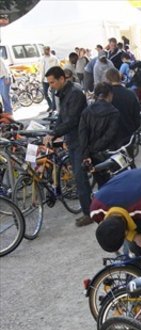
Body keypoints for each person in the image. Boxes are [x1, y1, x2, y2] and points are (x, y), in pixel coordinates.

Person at [43, 66, 90, 226]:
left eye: (52, 82)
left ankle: (89, 213)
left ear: (62, 79)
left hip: (80, 141)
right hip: (72, 140)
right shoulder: (64, 94)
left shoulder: (74, 94)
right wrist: (53, 132)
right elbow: (62, 118)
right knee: (81, 176)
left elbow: (72, 120)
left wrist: (55, 133)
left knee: (80, 177)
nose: (51, 86)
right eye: (49, 83)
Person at [77, 82, 121, 188]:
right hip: (108, 153)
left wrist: (86, 153)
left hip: (92, 155)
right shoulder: (114, 112)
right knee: (114, 184)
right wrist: (96, 148)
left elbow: (82, 134)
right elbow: (110, 134)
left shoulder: (86, 112)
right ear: (110, 94)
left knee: (101, 183)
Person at [104, 68, 141, 151]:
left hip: (111, 137)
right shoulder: (130, 94)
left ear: (108, 79)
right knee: (128, 160)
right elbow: (137, 116)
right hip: (128, 135)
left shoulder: (106, 96)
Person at [38, 46, 60, 111]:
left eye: (47, 50)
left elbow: (57, 67)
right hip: (44, 79)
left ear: (49, 50)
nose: (45, 51)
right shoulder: (42, 59)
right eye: (44, 50)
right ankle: (50, 105)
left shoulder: (54, 58)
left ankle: (53, 107)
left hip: (52, 78)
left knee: (53, 94)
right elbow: (41, 69)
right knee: (45, 93)